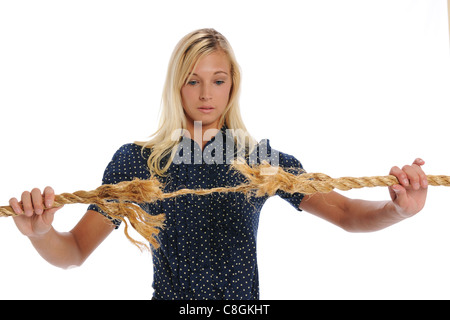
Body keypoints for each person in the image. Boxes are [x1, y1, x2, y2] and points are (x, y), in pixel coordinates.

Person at [8, 28, 428, 300]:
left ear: (232, 86)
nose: (205, 93)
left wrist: (396, 209)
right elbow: (75, 252)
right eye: (193, 79)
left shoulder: (259, 162)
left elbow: (349, 213)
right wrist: (41, 232)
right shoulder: (139, 163)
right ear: (177, 86)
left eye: (218, 80)